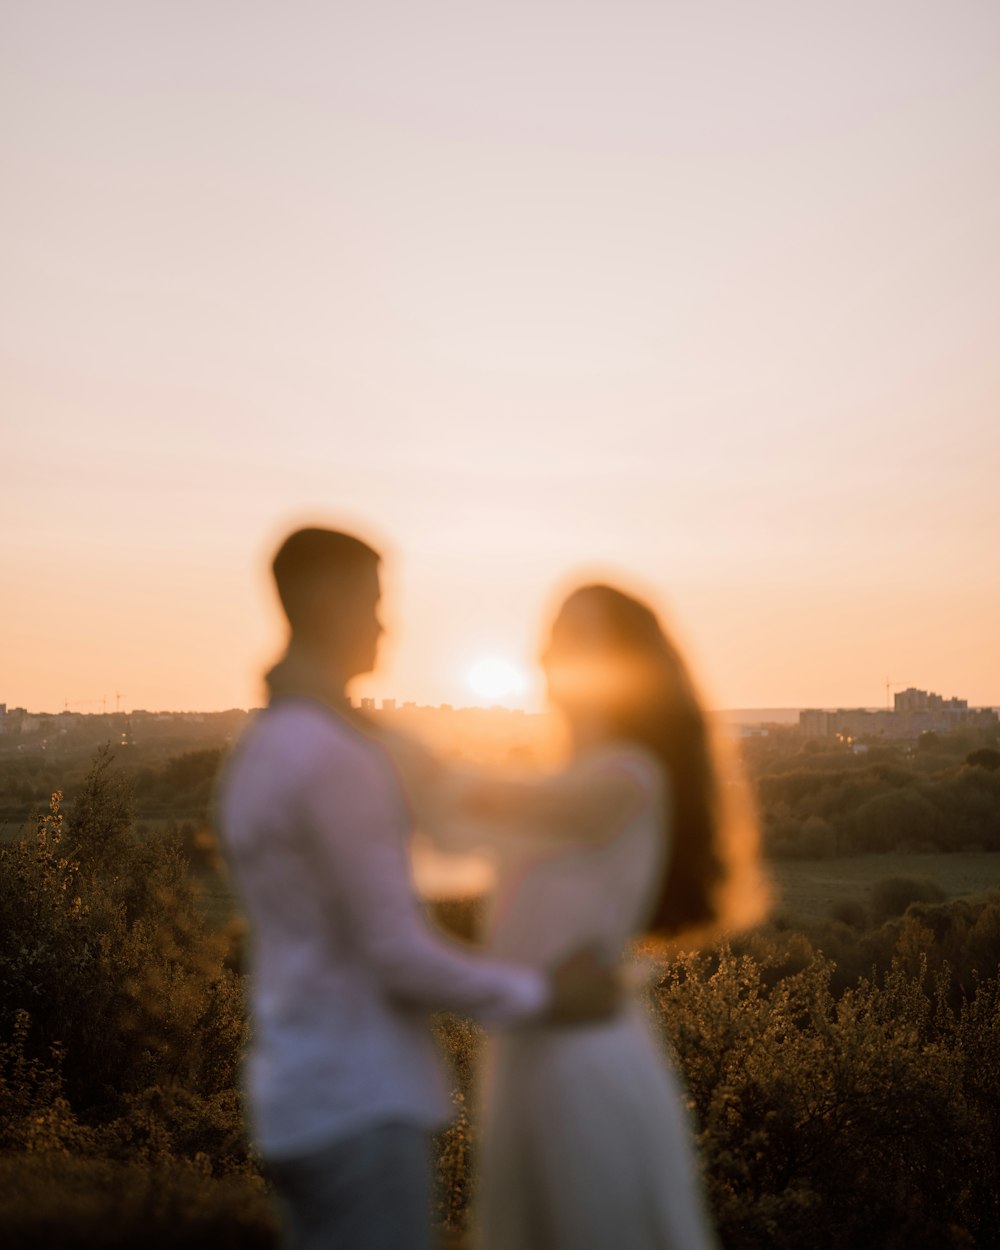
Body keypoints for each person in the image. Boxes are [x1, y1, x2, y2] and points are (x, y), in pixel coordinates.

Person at [216, 528, 621, 1250]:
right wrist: (545, 997)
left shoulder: (260, 752)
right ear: (322, 600)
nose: (385, 623)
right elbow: (395, 951)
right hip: (360, 1103)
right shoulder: (338, 759)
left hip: (292, 1098)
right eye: (373, 601)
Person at [395, 583, 766, 1250]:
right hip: (534, 1045)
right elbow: (448, 839)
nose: (548, 651)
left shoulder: (624, 778)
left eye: (577, 637)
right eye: (553, 634)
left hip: (585, 1059)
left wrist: (373, 731)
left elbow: (469, 802)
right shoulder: (571, 777)